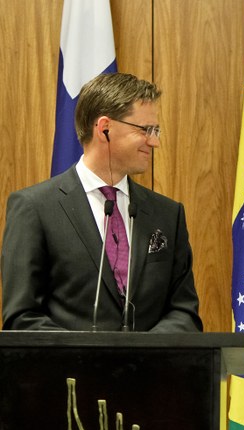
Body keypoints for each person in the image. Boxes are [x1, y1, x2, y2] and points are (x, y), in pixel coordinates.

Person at [2, 72, 202, 332]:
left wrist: (146, 353)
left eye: (156, 131)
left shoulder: (168, 214)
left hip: (151, 370)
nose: (155, 142)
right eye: (146, 130)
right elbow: (22, 318)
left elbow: (184, 311)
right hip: (70, 372)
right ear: (104, 128)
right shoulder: (35, 208)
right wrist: (94, 359)